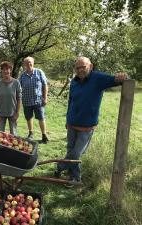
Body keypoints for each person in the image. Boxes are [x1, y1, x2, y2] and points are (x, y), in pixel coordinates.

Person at [55, 56, 128, 184]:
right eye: (77, 67)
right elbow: (71, 101)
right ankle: (68, 171)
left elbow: (116, 79)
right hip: (72, 124)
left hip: (86, 127)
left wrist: (122, 77)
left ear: (91, 66)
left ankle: (72, 175)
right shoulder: (74, 82)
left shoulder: (98, 79)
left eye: (83, 66)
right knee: (71, 151)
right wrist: (67, 120)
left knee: (76, 154)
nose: (80, 70)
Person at [19, 56, 49, 143]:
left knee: (41, 118)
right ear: (24, 64)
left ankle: (44, 135)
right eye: (26, 62)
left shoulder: (39, 72)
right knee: (28, 118)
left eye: (30, 62)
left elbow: (45, 85)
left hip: (38, 101)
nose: (28, 64)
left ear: (33, 63)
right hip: (26, 101)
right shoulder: (22, 76)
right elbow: (19, 88)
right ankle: (31, 133)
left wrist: (45, 98)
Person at [0, 61, 22, 135]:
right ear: (1, 71)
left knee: (14, 135)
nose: (6, 71)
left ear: (10, 70)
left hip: (13, 113)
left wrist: (17, 113)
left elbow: (19, 99)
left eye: (7, 69)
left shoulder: (16, 83)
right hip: (0, 114)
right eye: (3, 69)